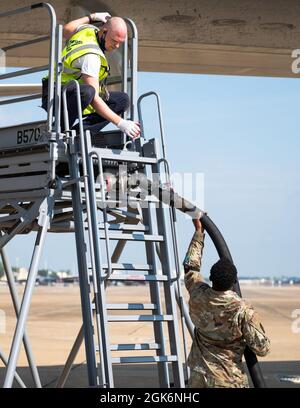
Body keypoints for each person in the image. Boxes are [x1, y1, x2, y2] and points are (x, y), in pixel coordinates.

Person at [183, 217, 270, 388]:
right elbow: (262, 348)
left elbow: (190, 268)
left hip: (198, 378)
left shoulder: (197, 294)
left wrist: (199, 233)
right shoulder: (242, 310)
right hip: (227, 381)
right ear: (234, 282)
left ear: (212, 278)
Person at [42, 12, 140, 139]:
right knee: (88, 92)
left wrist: (91, 17)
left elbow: (66, 30)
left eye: (120, 43)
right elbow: (94, 98)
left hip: (73, 94)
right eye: (114, 41)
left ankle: (79, 134)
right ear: (104, 31)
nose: (116, 46)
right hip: (55, 95)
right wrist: (121, 123)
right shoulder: (91, 56)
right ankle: (60, 129)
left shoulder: (88, 30)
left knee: (122, 100)